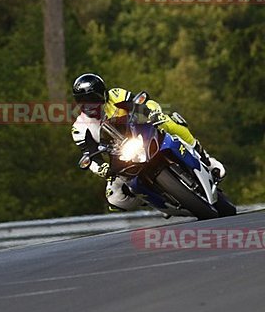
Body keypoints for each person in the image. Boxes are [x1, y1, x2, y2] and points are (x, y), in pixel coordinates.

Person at [70, 73, 225, 211]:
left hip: (139, 134)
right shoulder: (79, 128)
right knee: (114, 198)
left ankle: (206, 158)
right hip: (118, 156)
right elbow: (90, 156)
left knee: (169, 123)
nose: (89, 104)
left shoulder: (115, 95)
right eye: (83, 101)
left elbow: (142, 103)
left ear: (102, 94)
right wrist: (103, 169)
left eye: (93, 98)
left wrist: (153, 113)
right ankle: (149, 198)